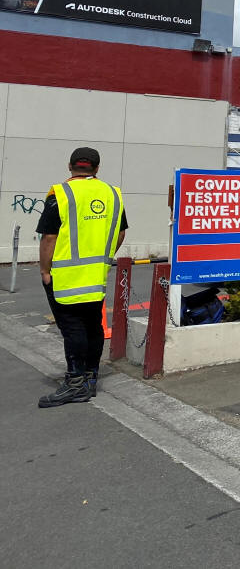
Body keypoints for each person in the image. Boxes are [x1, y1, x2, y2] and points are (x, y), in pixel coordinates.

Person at [36, 147, 128, 407]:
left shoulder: (60, 194)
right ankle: (90, 379)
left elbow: (49, 237)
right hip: (96, 274)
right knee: (93, 326)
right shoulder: (112, 194)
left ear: (70, 166)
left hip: (65, 277)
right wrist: (104, 257)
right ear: (96, 168)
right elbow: (120, 232)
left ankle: (75, 383)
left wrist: (45, 270)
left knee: (73, 328)